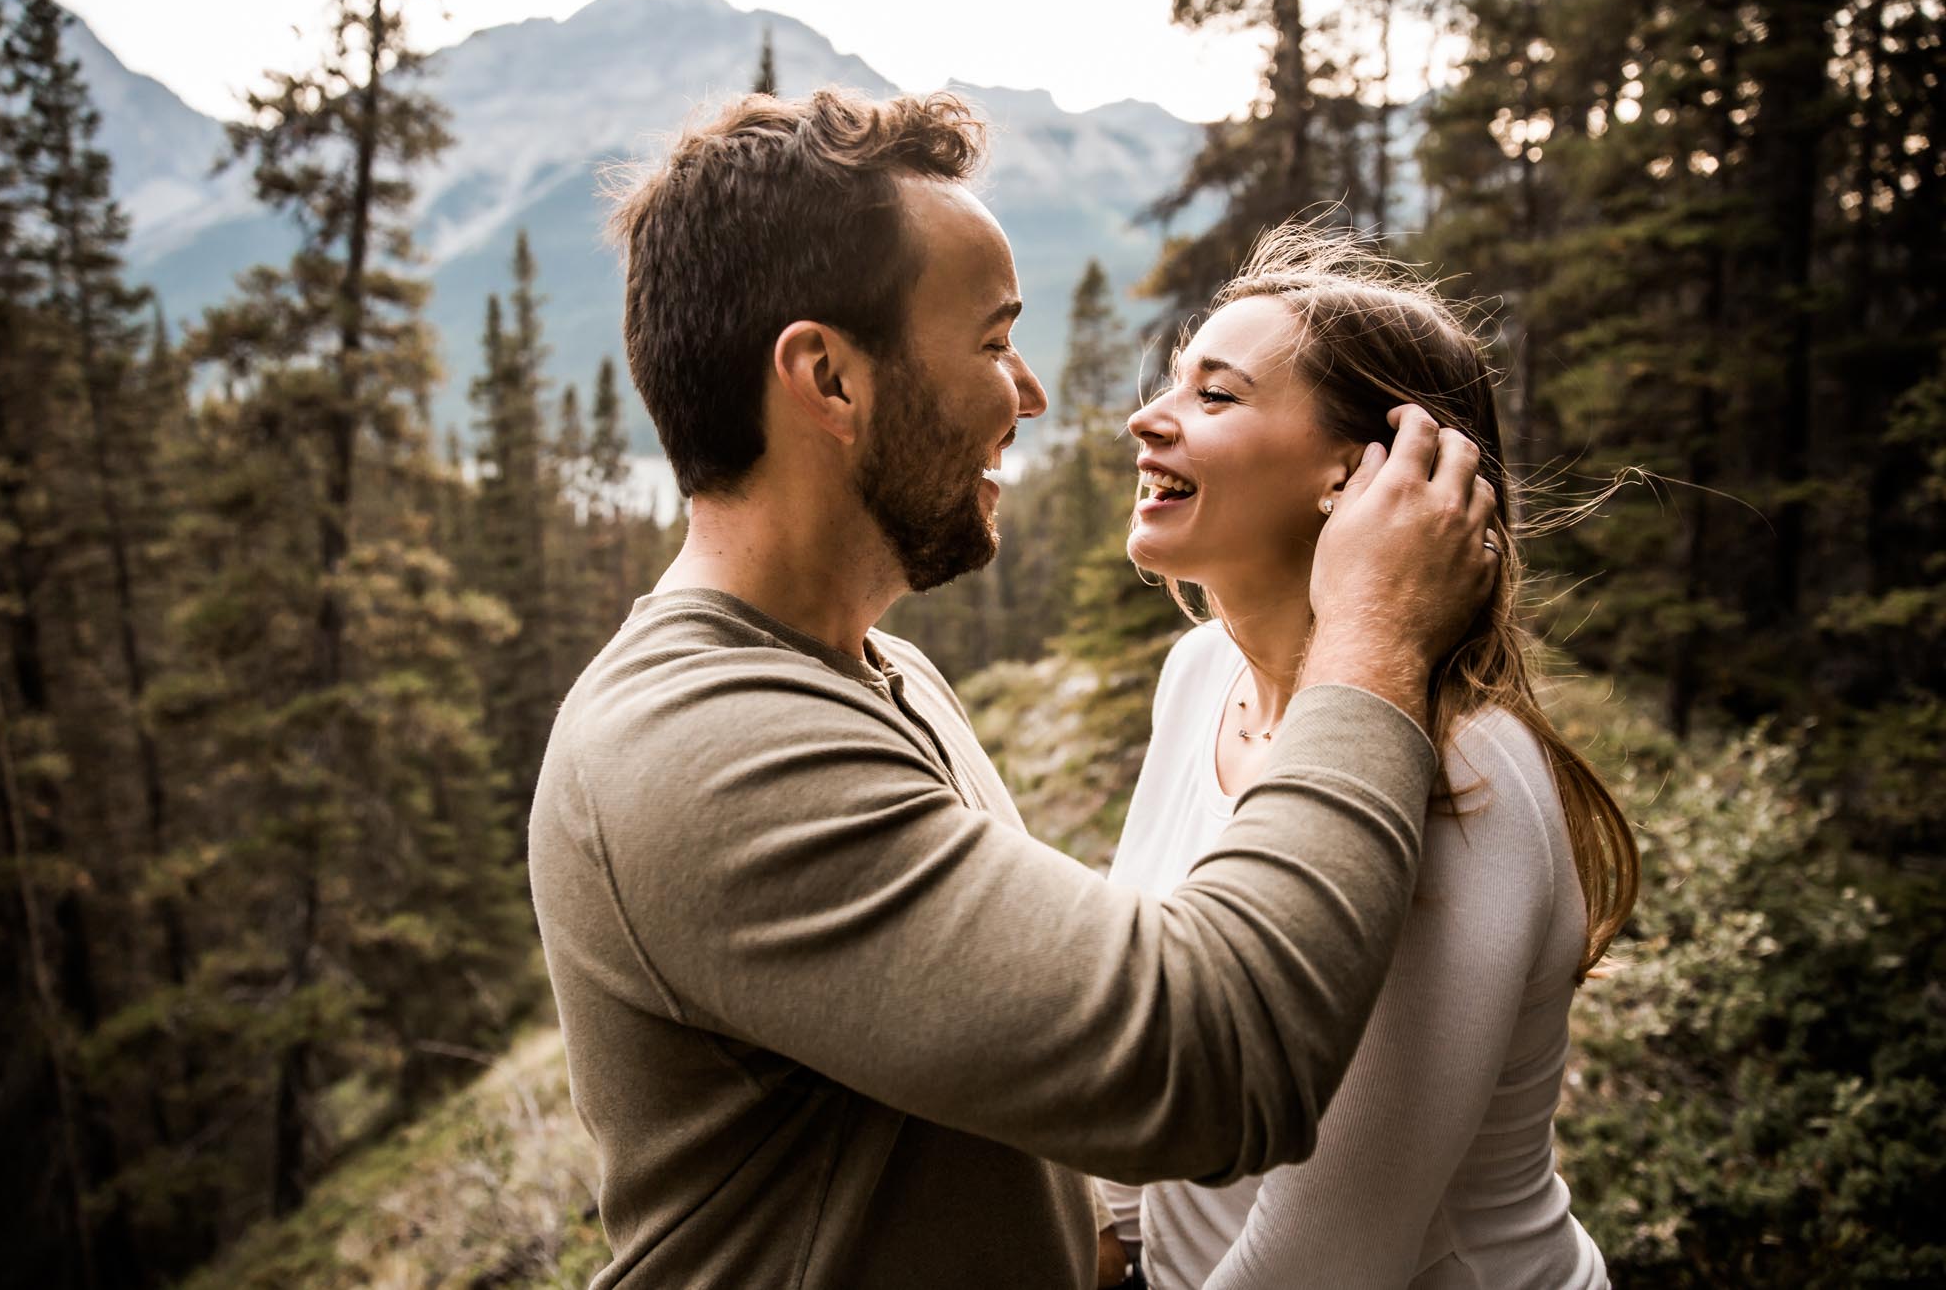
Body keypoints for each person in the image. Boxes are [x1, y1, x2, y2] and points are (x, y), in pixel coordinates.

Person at [528, 89, 1498, 1289]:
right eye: (990, 342)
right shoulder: (708, 748)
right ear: (827, 380)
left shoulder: (878, 674)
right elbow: (1214, 1061)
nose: (1028, 394)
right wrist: (1376, 637)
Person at [1094, 228, 1639, 1289]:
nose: (1145, 419)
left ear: (1355, 474)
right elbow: (1152, 1010)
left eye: (1215, 396)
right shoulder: (1198, 674)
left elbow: (1327, 1260)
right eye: (1173, 384)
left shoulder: (1465, 779)